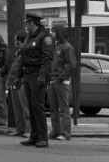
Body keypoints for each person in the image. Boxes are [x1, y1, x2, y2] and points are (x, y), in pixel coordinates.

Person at [20, 12, 54, 148]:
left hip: (38, 74)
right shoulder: (30, 36)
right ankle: (34, 136)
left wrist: (42, 76)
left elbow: (47, 59)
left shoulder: (45, 37)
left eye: (26, 23)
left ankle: (43, 138)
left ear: (32, 22)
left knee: (38, 106)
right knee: (32, 106)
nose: (25, 26)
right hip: (28, 74)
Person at [49, 24, 76, 141]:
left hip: (61, 81)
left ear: (58, 33)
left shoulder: (67, 47)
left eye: (53, 31)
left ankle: (65, 133)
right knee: (53, 108)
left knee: (63, 108)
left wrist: (61, 77)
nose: (51, 34)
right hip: (53, 80)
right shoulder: (56, 46)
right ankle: (55, 131)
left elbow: (72, 64)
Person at [7, 31, 31, 138]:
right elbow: (13, 68)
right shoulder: (18, 52)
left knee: (25, 108)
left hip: (22, 82)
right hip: (14, 82)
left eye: (16, 39)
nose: (14, 41)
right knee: (17, 107)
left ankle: (29, 130)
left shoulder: (26, 52)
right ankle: (20, 128)